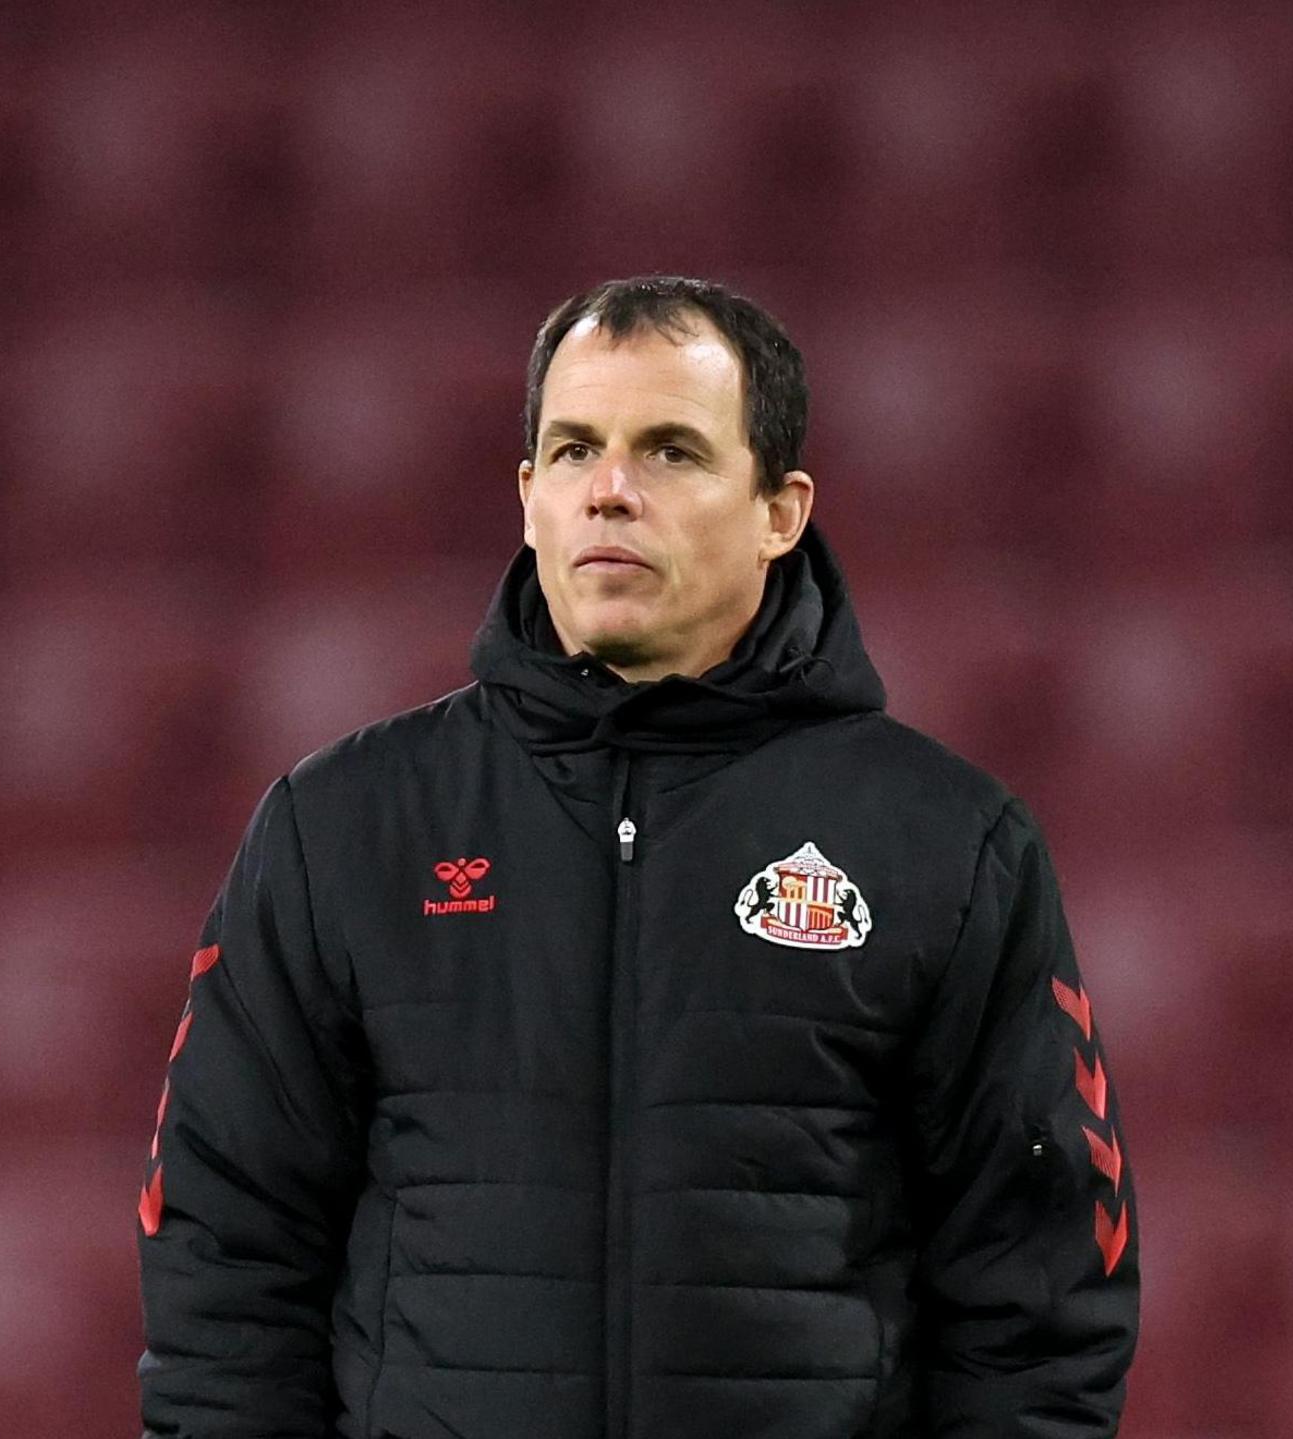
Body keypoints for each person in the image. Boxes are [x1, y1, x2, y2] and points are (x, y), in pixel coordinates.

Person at [137, 276, 1137, 1437]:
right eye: (571, 451)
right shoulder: (342, 826)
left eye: (669, 450)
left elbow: (1042, 1292)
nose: (609, 491)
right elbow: (224, 1252)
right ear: (525, 496)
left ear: (780, 508)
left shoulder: (946, 843)